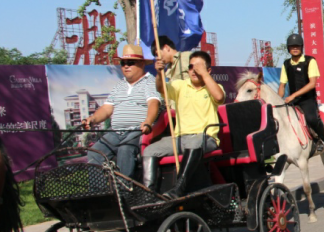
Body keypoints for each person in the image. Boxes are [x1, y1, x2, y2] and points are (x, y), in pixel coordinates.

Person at [145, 50, 224, 198]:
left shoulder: (214, 87)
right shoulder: (180, 85)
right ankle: (148, 194)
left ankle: (178, 189)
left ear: (208, 70)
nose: (194, 71)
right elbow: (161, 88)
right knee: (149, 150)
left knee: (194, 142)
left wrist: (204, 75)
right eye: (190, 67)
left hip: (206, 138)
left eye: (198, 67)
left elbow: (219, 97)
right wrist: (159, 73)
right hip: (180, 139)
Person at [83, 44, 163, 178]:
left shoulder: (150, 82)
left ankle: (125, 191)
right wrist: (92, 119)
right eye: (123, 63)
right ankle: (99, 192)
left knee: (125, 150)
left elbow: (153, 103)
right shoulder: (120, 84)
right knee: (94, 152)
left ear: (142, 64)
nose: (126, 66)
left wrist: (148, 121)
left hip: (137, 131)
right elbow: (107, 108)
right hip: (115, 132)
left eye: (130, 63)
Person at [278, 34, 324, 153]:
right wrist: (278, 100)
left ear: (301, 47)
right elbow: (282, 85)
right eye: (292, 47)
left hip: (307, 100)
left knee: (311, 118)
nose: (295, 48)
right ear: (288, 49)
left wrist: (293, 95)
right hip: (293, 101)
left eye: (297, 46)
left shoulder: (310, 61)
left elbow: (312, 84)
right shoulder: (286, 64)